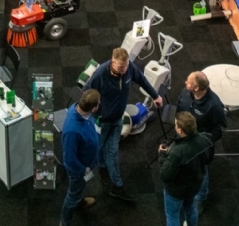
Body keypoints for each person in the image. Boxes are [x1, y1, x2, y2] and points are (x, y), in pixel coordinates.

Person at [83, 48, 162, 202]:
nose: (124, 69)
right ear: (113, 63)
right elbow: (86, 92)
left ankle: (117, 186)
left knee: (112, 152)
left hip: (118, 119)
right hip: (102, 121)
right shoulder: (100, 74)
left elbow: (142, 80)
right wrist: (93, 110)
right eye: (121, 67)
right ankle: (102, 167)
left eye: (126, 66)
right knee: (99, 147)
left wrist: (155, 95)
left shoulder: (129, 67)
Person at [177, 71, 226, 214]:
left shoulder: (214, 105)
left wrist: (203, 141)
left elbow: (220, 128)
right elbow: (179, 108)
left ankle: (201, 198)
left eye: (188, 82)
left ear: (197, 88)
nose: (185, 83)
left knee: (202, 172)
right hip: (183, 138)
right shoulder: (186, 93)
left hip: (201, 145)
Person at [159, 111, 215, 226]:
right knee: (190, 207)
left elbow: (165, 175)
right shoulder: (206, 138)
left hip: (176, 191)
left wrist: (162, 155)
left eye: (175, 124)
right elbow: (208, 159)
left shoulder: (177, 152)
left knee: (172, 215)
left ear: (180, 130)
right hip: (194, 186)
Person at [60, 89, 101, 226]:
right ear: (94, 108)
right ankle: (65, 222)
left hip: (86, 162)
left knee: (78, 189)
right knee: (72, 196)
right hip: (80, 170)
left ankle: (79, 201)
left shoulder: (77, 108)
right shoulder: (72, 131)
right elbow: (69, 159)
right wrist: (84, 170)